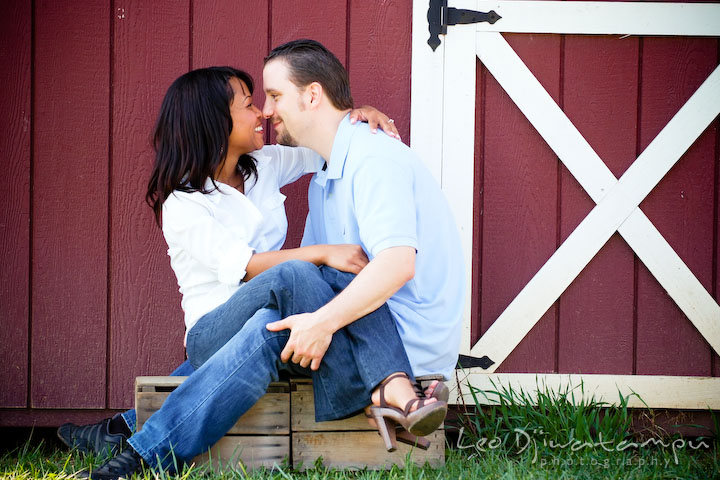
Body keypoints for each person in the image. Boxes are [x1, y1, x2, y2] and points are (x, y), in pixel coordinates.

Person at [67, 66, 446, 480]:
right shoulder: (185, 203)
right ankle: (391, 388)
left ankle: (135, 453)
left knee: (281, 318)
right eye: (248, 105)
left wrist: (358, 117)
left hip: (265, 318)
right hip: (212, 332)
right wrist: (324, 252)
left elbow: (326, 141)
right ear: (215, 122)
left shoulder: (263, 163)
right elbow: (246, 268)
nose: (262, 113)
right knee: (302, 274)